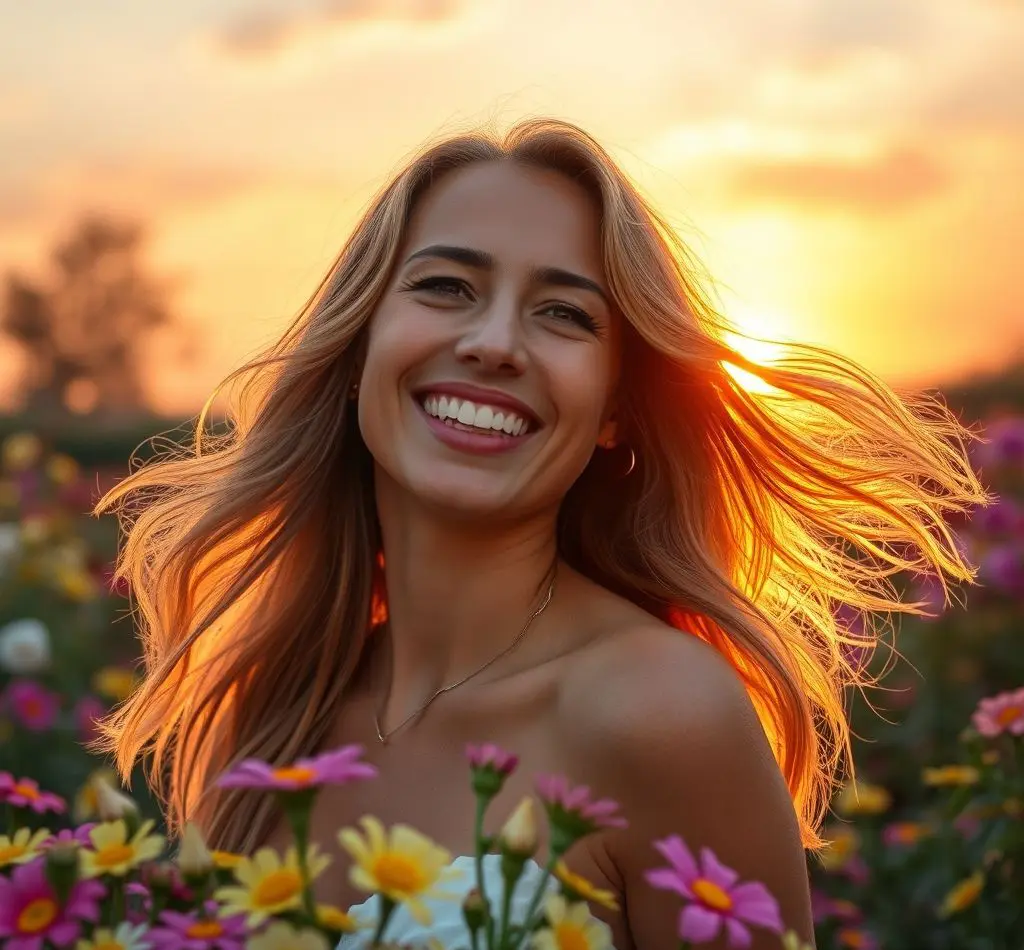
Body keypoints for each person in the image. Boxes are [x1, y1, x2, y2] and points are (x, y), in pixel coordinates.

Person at [93, 118, 987, 949]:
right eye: (446, 286)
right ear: (361, 342)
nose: (492, 342)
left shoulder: (661, 710)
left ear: (614, 410)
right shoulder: (275, 721)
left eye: (563, 312)